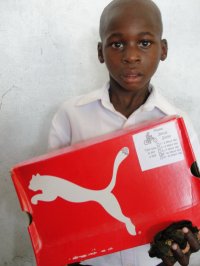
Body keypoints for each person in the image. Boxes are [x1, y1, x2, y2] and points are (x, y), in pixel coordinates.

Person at [48, 0, 200, 265]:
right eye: (117, 44)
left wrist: (188, 232)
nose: (131, 56)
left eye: (144, 43)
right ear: (100, 51)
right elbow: (56, 204)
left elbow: (190, 199)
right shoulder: (71, 115)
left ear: (163, 50)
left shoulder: (178, 123)